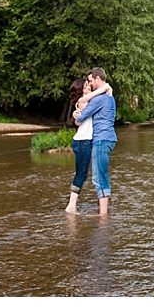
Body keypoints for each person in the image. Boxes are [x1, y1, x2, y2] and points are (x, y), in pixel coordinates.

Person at [74, 67, 117, 216]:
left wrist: (76, 114)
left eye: (91, 81)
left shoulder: (99, 98)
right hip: (108, 138)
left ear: (98, 79)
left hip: (101, 139)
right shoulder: (109, 96)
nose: (90, 84)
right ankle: (103, 212)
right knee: (102, 174)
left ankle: (103, 214)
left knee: (99, 175)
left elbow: (80, 119)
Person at [65, 76, 112, 214]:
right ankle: (71, 206)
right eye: (86, 85)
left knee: (82, 173)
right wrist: (106, 87)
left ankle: (72, 205)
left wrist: (108, 89)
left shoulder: (88, 101)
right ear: (80, 89)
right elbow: (97, 94)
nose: (89, 86)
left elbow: (80, 120)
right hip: (82, 141)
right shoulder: (82, 100)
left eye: (88, 84)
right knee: (81, 174)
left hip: (85, 141)